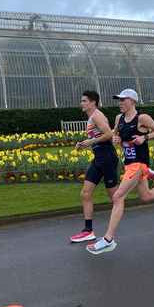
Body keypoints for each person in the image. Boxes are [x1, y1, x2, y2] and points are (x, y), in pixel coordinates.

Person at [87, 88, 154, 255]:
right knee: (147, 196)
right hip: (129, 164)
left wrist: (144, 138)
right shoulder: (119, 118)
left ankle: (108, 240)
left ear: (132, 101)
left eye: (123, 100)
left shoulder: (142, 118)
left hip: (139, 164)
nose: (120, 103)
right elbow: (116, 135)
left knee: (117, 196)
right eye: (119, 100)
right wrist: (116, 139)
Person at [69, 90, 119, 243]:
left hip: (107, 157)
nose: (82, 103)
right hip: (99, 158)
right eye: (82, 101)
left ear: (92, 102)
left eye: (84, 101)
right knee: (85, 193)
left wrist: (90, 142)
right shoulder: (92, 117)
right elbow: (97, 136)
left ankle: (115, 226)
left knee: (115, 197)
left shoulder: (97, 115)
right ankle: (88, 230)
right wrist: (84, 143)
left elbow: (109, 134)